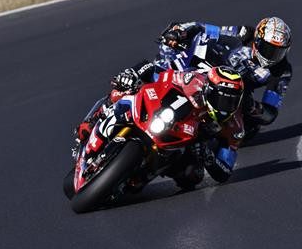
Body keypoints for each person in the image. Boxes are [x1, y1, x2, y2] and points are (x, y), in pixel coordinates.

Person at [109, 17, 293, 138]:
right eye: (270, 49)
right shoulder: (244, 33)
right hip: (205, 75)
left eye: (279, 51)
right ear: (258, 41)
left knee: (235, 132)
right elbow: (202, 28)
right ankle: (118, 94)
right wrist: (181, 33)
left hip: (231, 100)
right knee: (158, 67)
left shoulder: (282, 70)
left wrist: (250, 105)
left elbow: (269, 114)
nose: (273, 56)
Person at [80, 66, 246, 187]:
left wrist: (209, 157)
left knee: (192, 176)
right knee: (121, 92)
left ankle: (144, 175)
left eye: (230, 100)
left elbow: (225, 170)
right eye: (220, 98)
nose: (224, 105)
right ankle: (92, 121)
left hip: (192, 145)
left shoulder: (236, 126)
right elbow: (157, 70)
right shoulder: (194, 80)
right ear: (209, 90)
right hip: (171, 119)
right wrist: (134, 74)